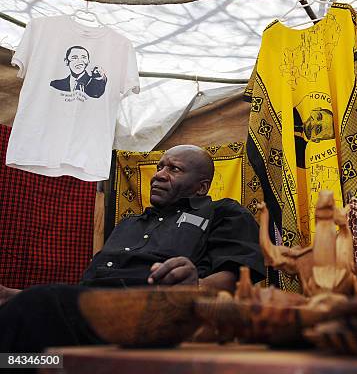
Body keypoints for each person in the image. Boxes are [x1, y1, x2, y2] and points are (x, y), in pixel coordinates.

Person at [0, 145, 265, 352]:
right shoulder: (129, 224)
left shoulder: (224, 213)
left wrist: (193, 288)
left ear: (201, 187)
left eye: (174, 169)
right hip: (92, 316)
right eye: (160, 167)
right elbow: (88, 292)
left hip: (153, 317)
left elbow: (234, 278)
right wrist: (17, 295)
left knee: (35, 309)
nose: (159, 175)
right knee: (26, 320)